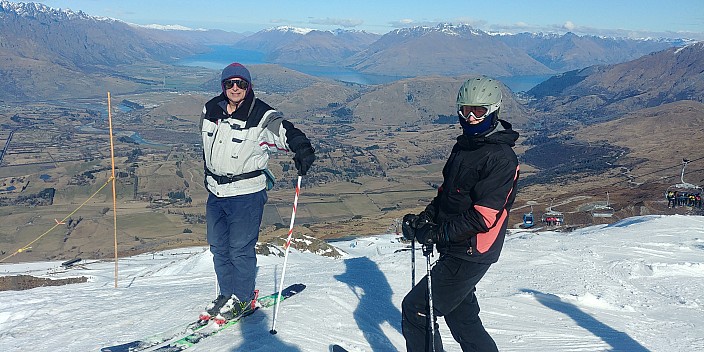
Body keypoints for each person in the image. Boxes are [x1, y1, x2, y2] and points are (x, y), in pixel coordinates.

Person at [401, 77, 520, 352]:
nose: (471, 117)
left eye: (478, 111)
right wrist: (426, 218)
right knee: (461, 316)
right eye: (465, 109)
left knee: (418, 308)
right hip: (458, 246)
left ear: (494, 111)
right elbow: (448, 195)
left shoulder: (501, 158)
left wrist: (437, 233)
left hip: (471, 250)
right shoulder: (465, 147)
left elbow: (483, 217)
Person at [199, 62, 316, 322]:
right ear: (223, 86)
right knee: (219, 247)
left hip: (246, 194)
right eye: (230, 83)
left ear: (248, 86)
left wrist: (301, 146)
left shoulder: (262, 115)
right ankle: (226, 294)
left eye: (241, 83)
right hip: (216, 192)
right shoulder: (210, 110)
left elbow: (285, 131)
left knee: (240, 248)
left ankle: (242, 299)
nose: (235, 88)